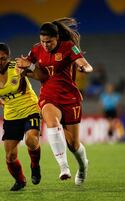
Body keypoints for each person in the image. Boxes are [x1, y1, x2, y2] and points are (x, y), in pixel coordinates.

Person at [16, 17, 93, 186]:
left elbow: (86, 65)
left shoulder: (68, 47)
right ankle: (64, 167)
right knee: (51, 122)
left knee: (73, 144)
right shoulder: (36, 50)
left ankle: (83, 166)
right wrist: (22, 68)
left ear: (56, 38)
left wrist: (84, 68)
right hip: (49, 96)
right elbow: (29, 68)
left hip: (70, 98)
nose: (45, 45)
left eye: (49, 42)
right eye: (42, 41)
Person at [0, 43, 41, 191]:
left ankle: (35, 166)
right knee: (10, 156)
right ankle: (20, 180)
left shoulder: (17, 67)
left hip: (30, 108)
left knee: (31, 140)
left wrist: (29, 67)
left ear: (8, 58)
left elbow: (39, 75)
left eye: (3, 59)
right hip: (11, 116)